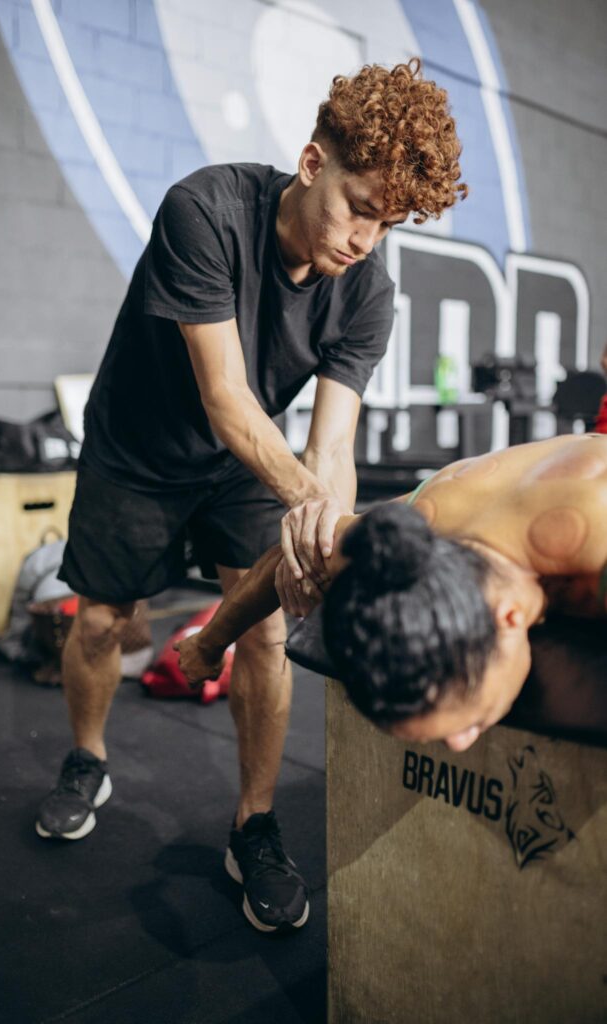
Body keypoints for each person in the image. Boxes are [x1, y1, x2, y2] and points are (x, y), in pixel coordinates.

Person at [36, 58, 467, 934]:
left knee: (266, 633)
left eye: (386, 225)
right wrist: (313, 507)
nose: (363, 241)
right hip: (141, 444)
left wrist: (317, 536)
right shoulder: (205, 212)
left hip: (246, 463)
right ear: (312, 164)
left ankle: (253, 823)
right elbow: (226, 399)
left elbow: (332, 445)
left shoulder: (367, 290)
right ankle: (86, 758)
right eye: (356, 208)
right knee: (97, 619)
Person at [176, 434, 607, 754]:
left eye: (471, 721)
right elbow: (286, 559)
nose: (459, 745)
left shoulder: (592, 553)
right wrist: (208, 644)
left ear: (510, 617)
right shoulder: (415, 530)